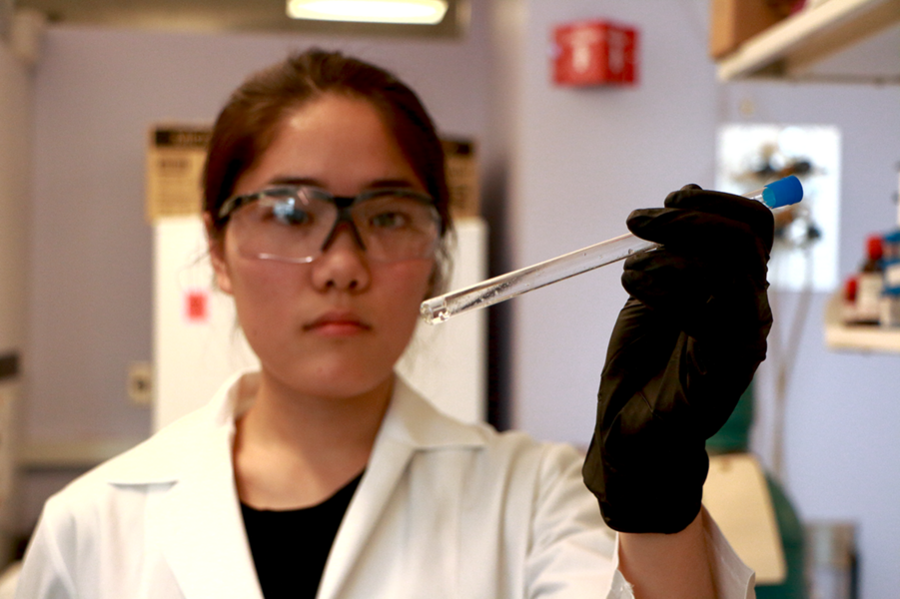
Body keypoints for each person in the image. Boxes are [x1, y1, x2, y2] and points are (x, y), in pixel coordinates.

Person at [15, 49, 773, 599]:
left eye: (386, 215)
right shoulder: (92, 524)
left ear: (440, 257)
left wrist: (655, 498)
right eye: (289, 211)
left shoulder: (539, 499)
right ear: (217, 250)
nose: (342, 263)